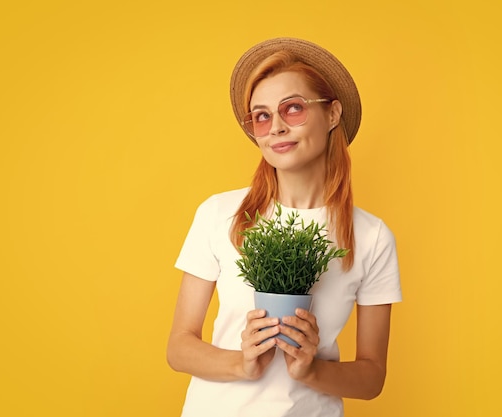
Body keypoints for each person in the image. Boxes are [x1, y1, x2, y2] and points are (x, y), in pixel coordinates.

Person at [167, 37, 402, 417]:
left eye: (292, 109)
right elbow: (179, 347)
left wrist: (311, 370)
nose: (275, 127)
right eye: (261, 116)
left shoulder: (371, 237)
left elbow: (372, 377)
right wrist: (241, 364)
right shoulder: (219, 214)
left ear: (332, 114)